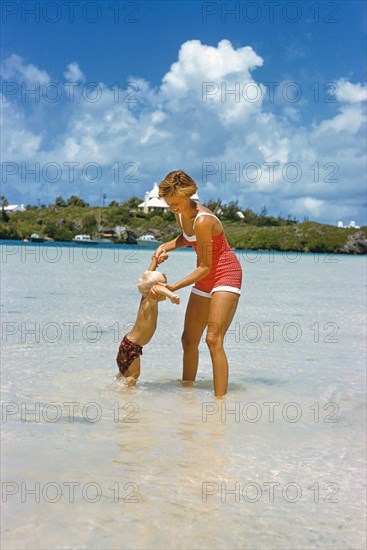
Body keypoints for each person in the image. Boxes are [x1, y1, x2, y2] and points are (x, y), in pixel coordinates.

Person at [153, 170, 242, 398]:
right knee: (188, 340)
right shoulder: (180, 213)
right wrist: (165, 246)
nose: (172, 204)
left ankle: (220, 403)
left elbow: (205, 267)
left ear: (187, 194)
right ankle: (187, 395)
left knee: (213, 339)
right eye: (168, 200)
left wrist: (173, 286)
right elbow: (187, 238)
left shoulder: (203, 220)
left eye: (175, 200)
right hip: (206, 276)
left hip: (225, 274)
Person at [116, 254, 180, 386]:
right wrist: (171, 295)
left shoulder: (145, 297)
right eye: (165, 286)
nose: (166, 287)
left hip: (127, 343)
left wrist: (155, 262)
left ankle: (117, 392)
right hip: (132, 346)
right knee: (133, 376)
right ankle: (127, 400)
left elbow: (147, 276)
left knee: (124, 374)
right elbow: (156, 287)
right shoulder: (151, 297)